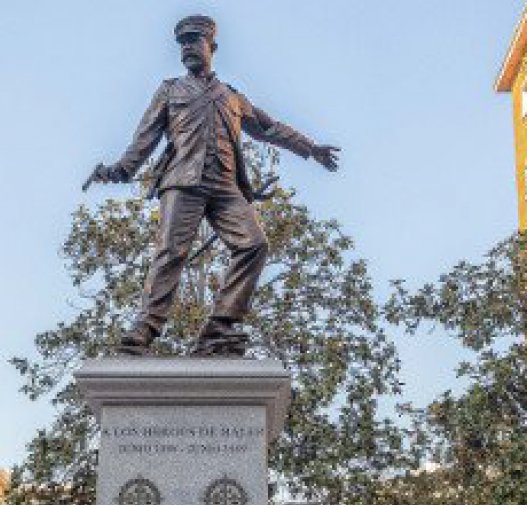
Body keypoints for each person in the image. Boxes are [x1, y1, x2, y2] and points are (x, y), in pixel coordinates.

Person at [86, 15, 340, 356]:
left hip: (225, 186)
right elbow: (144, 138)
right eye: (183, 43)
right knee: (170, 253)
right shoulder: (170, 90)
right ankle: (144, 330)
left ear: (212, 47)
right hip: (182, 183)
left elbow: (270, 128)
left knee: (254, 244)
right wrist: (120, 170)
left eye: (195, 41)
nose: (187, 48)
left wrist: (310, 148)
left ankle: (219, 327)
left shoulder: (232, 97)